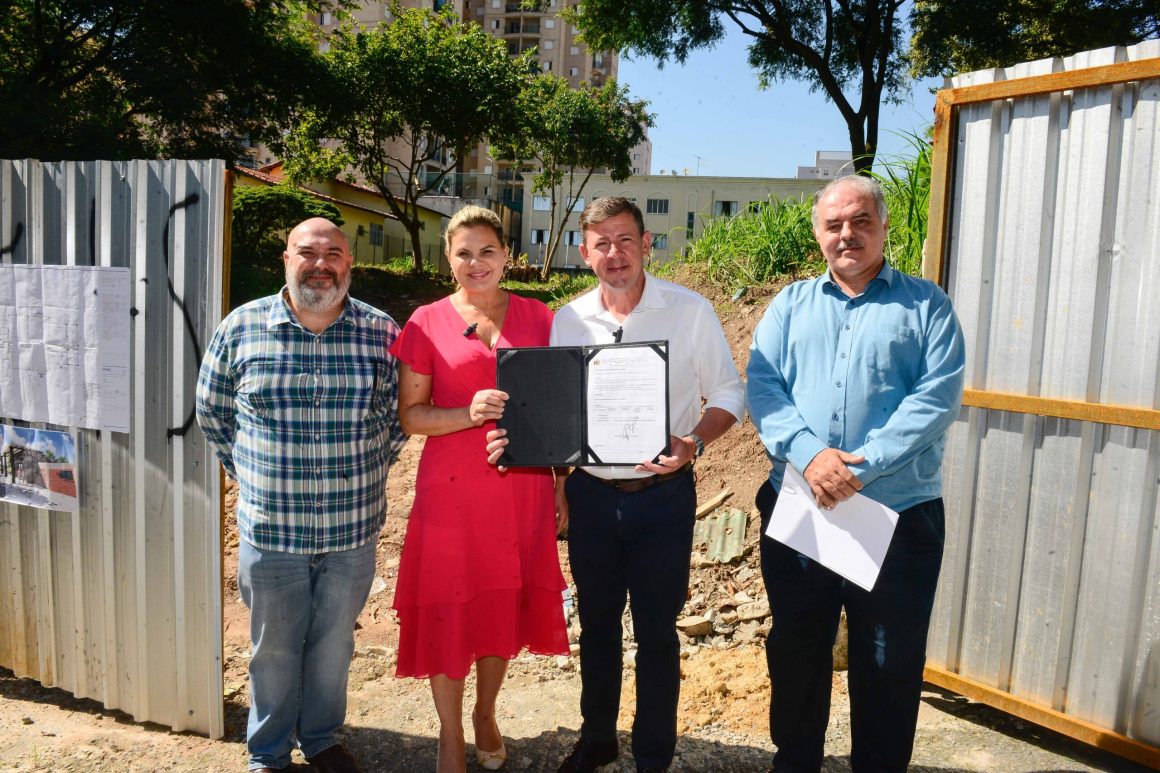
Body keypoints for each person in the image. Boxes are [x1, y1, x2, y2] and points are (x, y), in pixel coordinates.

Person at [490, 197, 745, 773]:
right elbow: (558, 412)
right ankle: (597, 739)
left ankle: (654, 752)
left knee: (657, 632)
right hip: (592, 497)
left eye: (625, 239)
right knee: (597, 626)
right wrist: (555, 479)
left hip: (663, 498)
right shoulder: (570, 319)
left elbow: (731, 393)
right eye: (601, 243)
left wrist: (692, 444)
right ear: (585, 253)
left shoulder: (689, 310)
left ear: (647, 242)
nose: (615, 253)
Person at [746, 175, 965, 772]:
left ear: (884, 226)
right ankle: (795, 761)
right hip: (800, 505)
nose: (848, 234)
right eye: (834, 224)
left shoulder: (928, 306)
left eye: (861, 221)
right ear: (818, 233)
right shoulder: (788, 306)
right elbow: (764, 389)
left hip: (898, 514)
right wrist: (812, 455)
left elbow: (936, 399)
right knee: (796, 647)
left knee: (889, 659)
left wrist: (858, 469)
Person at [195, 218, 405, 773]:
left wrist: (367, 468)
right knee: (273, 650)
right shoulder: (242, 327)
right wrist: (249, 473)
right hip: (273, 532)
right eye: (307, 252)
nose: (320, 263)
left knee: (334, 647)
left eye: (333, 253)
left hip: (350, 532)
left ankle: (320, 739)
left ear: (349, 264)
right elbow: (211, 410)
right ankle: (267, 753)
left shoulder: (381, 333)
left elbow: (398, 418)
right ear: (285, 259)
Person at [389, 205, 569, 772]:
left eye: (487, 250)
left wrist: (561, 483)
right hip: (451, 495)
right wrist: (468, 415)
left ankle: (485, 714)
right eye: (463, 252)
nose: (475, 262)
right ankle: (448, 736)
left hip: (524, 490)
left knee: (500, 606)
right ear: (449, 259)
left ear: (507, 255)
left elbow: (562, 408)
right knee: (448, 609)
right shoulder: (425, 322)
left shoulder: (542, 317)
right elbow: (411, 417)